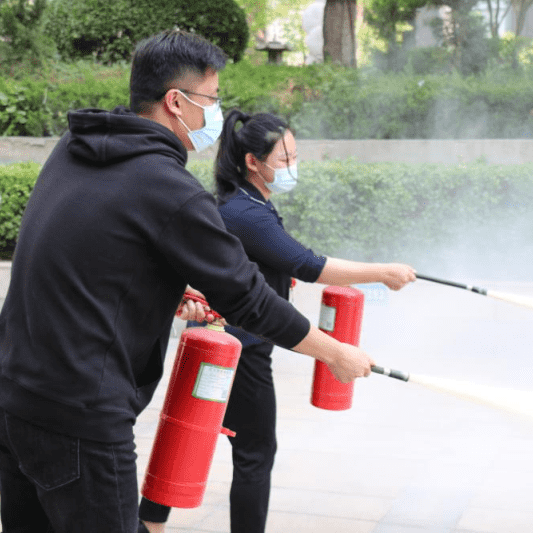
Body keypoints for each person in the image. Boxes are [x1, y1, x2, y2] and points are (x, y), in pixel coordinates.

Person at [0, 30, 375, 533]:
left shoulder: (76, 147)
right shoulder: (169, 187)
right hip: (77, 417)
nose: (217, 112)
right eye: (211, 98)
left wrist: (161, 292)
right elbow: (248, 298)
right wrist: (334, 352)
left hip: (8, 397)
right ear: (175, 102)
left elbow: (84, 253)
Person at [138, 110, 416, 533]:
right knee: (254, 452)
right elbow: (307, 263)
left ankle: (149, 525)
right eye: (284, 159)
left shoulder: (242, 204)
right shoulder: (247, 213)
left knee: (188, 436)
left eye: (294, 156)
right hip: (241, 350)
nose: (292, 166)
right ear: (253, 161)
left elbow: (275, 264)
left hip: (217, 345)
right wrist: (380, 271)